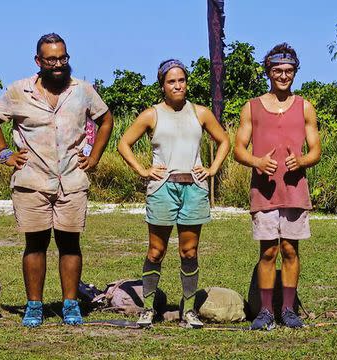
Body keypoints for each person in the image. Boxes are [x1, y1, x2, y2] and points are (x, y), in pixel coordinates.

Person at [0, 33, 113, 327]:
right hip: (32, 180)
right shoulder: (19, 91)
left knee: (70, 244)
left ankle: (70, 305)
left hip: (71, 178)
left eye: (63, 58)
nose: (58, 64)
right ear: (38, 61)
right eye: (51, 59)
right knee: (36, 244)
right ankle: (34, 306)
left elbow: (106, 119)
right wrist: (4, 153)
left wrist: (94, 157)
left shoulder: (82, 90)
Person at [118, 59, 230, 328]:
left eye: (181, 80)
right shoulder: (151, 114)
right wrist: (143, 171)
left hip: (194, 187)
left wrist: (212, 168)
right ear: (162, 85)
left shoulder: (200, 113)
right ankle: (148, 308)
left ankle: (188, 311)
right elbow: (124, 143)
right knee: (156, 251)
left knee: (189, 251)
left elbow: (224, 140)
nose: (177, 85)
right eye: (171, 81)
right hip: (162, 189)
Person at [233, 43, 321, 330]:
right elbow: (238, 149)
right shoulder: (252, 107)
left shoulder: (305, 106)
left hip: (295, 191)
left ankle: (288, 309)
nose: (283, 76)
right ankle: (266, 311)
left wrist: (303, 161)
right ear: (268, 72)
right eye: (277, 71)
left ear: (295, 72)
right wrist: (257, 162)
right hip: (265, 191)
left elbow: (316, 150)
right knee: (268, 251)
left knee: (291, 250)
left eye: (289, 71)